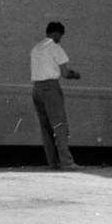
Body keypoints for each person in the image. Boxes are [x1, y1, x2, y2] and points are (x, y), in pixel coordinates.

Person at [31, 21, 82, 170]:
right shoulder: (55, 47)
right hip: (50, 88)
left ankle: (52, 162)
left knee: (46, 127)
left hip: (36, 89)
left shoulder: (36, 48)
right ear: (55, 33)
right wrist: (76, 75)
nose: (60, 38)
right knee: (60, 126)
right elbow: (65, 73)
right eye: (60, 35)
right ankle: (67, 162)